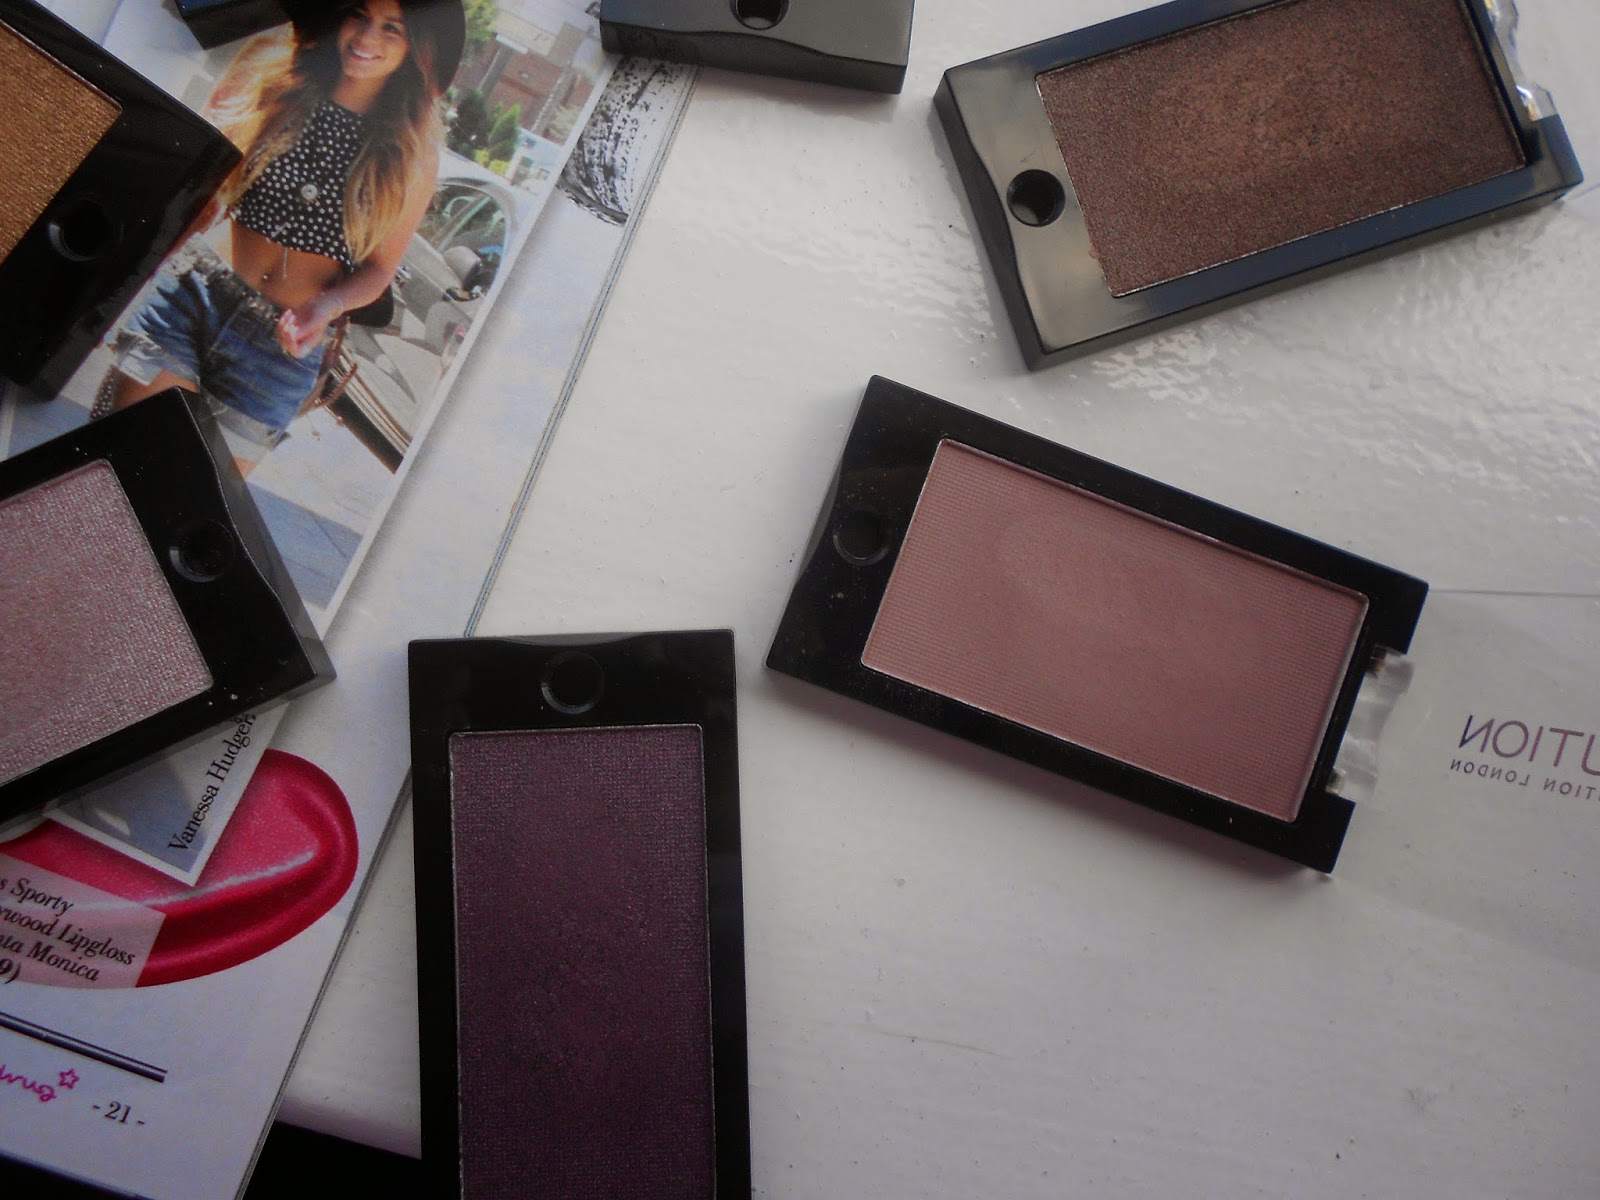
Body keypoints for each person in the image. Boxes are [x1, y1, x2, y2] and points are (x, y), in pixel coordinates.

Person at [105, 0, 464, 462]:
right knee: (120, 464)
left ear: (416, 48)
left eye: (391, 29)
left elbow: (379, 270)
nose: (366, 37)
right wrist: (122, 283)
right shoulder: (277, 80)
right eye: (358, 14)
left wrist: (327, 306)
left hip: (281, 354)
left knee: (183, 493)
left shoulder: (411, 154)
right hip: (196, 296)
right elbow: (206, 195)